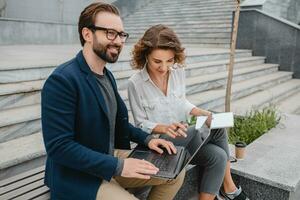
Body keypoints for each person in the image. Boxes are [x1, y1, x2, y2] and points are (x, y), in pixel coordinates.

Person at [41, 3, 185, 200]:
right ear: (87, 34)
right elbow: (60, 147)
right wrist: (120, 166)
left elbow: (119, 123)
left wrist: (148, 139)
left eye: (121, 34)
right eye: (110, 33)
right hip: (76, 175)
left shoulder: (106, 76)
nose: (118, 41)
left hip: (107, 158)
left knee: (175, 171)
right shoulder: (62, 80)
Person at [127, 24, 249, 200]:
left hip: (185, 139)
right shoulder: (135, 83)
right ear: (145, 54)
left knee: (219, 154)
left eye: (169, 61)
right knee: (212, 127)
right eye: (157, 61)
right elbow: (141, 124)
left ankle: (221, 191)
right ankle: (229, 189)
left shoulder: (177, 72)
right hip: (160, 146)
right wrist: (164, 128)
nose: (164, 68)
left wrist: (200, 112)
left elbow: (181, 102)